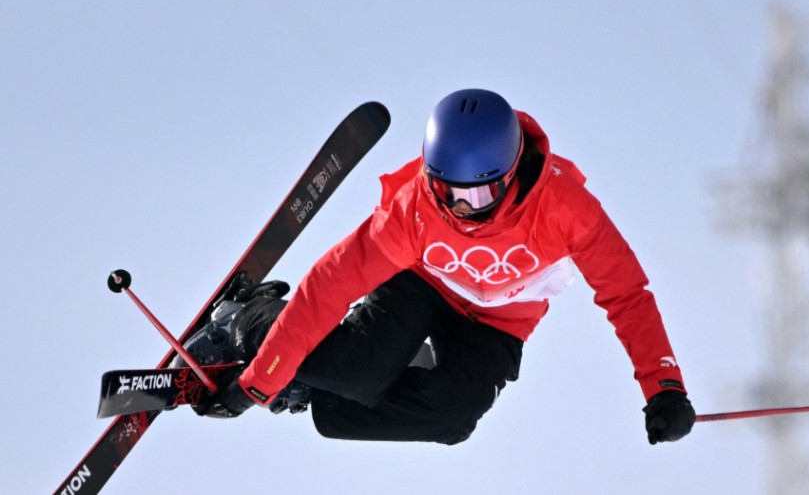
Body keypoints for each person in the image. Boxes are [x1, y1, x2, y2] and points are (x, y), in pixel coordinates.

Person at [192, 88, 696, 446]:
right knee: (359, 371)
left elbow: (627, 295)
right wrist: (258, 383)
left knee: (454, 417)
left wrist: (664, 388)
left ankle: (314, 388)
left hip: (498, 320)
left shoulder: (566, 209)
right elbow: (330, 284)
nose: (459, 206)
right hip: (422, 287)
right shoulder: (415, 209)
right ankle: (245, 318)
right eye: (446, 187)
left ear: (511, 171)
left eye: (477, 192)